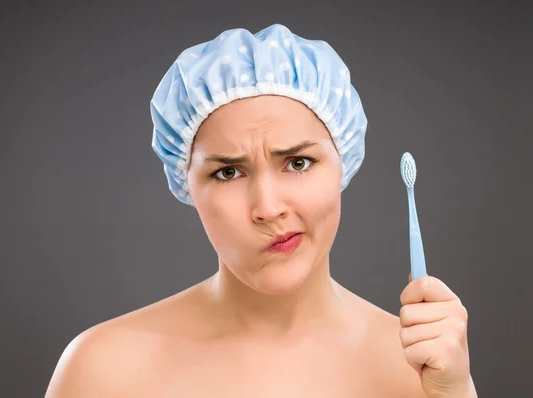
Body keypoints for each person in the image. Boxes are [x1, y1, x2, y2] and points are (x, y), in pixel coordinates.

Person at [46, 24, 476, 397]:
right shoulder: (104, 371)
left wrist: (456, 393)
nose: (268, 208)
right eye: (228, 172)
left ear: (343, 160)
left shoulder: (420, 369)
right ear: (186, 184)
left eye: (298, 163)